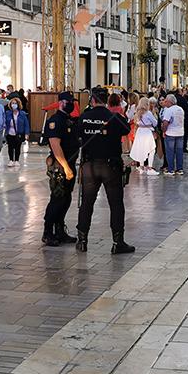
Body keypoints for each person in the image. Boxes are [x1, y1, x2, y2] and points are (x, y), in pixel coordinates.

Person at [75, 87, 134, 254]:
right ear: (107, 101)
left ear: (92, 100)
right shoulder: (114, 117)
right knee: (116, 204)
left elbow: (77, 136)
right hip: (111, 166)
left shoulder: (84, 117)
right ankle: (118, 242)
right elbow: (126, 129)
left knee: (86, 203)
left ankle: (82, 240)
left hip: (89, 166)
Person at [42, 92, 79, 247]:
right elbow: (56, 147)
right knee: (57, 200)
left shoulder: (70, 120)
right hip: (60, 168)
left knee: (66, 199)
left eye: (73, 102)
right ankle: (48, 232)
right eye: (68, 102)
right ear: (61, 103)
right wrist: (66, 167)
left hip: (70, 164)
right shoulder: (55, 121)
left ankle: (59, 230)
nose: (71, 104)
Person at [130, 97, 159, 175]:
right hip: (147, 132)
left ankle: (141, 167)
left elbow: (135, 122)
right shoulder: (148, 113)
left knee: (141, 149)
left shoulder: (137, 112)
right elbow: (155, 123)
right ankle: (149, 168)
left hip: (140, 132)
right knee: (152, 149)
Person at [160, 93, 186, 175]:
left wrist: (164, 131)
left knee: (170, 152)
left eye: (166, 101)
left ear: (169, 102)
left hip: (171, 133)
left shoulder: (169, 110)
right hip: (180, 132)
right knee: (179, 152)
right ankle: (180, 169)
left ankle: (170, 169)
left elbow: (165, 122)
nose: (165, 102)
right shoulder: (180, 109)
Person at [4, 96, 30, 167]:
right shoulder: (8, 113)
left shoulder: (22, 114)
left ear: (18, 104)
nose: (14, 105)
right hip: (10, 133)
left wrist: (27, 133)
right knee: (10, 147)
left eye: (15, 103)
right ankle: (11, 160)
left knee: (17, 147)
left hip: (19, 133)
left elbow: (26, 124)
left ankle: (17, 160)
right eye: (12, 103)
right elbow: (5, 122)